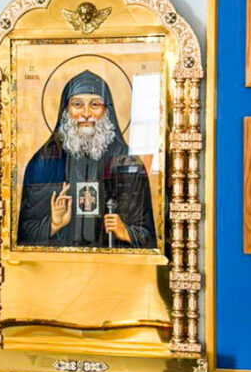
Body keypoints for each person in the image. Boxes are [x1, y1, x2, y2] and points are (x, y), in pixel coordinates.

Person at [17, 70, 156, 248]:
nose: (86, 113)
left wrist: (126, 232)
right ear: (65, 110)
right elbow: (23, 234)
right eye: (77, 104)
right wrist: (53, 224)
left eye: (95, 105)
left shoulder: (126, 161)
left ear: (107, 110)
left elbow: (148, 236)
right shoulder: (45, 161)